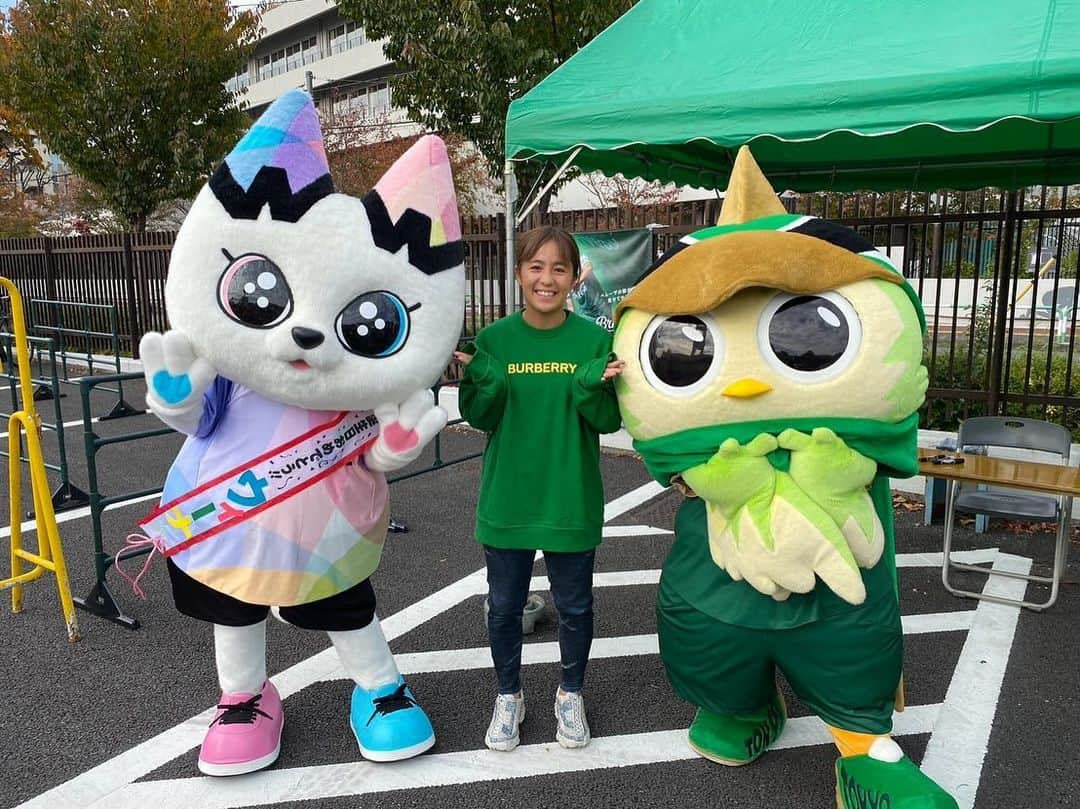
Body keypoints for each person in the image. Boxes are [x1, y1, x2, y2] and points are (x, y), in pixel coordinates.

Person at [453, 226, 624, 752]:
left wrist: (587, 385)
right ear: (519, 273)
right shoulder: (495, 341)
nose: (546, 278)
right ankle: (509, 695)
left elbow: (607, 418)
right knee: (503, 607)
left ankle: (569, 695)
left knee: (576, 607)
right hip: (508, 497)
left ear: (574, 278)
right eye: (535, 267)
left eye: (558, 269)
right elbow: (478, 416)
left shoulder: (595, 341)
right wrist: (489, 380)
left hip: (570, 496)